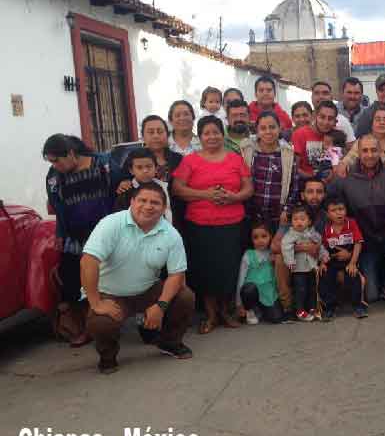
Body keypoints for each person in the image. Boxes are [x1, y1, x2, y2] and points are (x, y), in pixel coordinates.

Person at [82, 182, 194, 374]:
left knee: (185, 296)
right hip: (110, 293)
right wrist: (96, 302)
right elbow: (88, 261)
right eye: (142, 200)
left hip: (146, 290)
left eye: (155, 203)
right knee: (101, 323)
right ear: (132, 202)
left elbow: (176, 274)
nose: (148, 206)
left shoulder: (171, 234)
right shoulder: (111, 224)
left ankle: (169, 343)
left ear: (163, 208)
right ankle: (108, 356)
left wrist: (161, 306)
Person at [172, 116, 254, 334]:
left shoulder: (235, 159)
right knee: (206, 269)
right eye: (207, 133)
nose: (212, 137)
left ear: (222, 134)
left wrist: (233, 198)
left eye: (216, 132)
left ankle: (226, 312)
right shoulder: (190, 161)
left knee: (228, 268)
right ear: (200, 137)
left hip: (232, 223)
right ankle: (210, 314)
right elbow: (178, 189)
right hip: (200, 225)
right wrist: (205, 194)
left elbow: (248, 188)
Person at [44, 134, 121, 347]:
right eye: (50, 161)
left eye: (56, 160)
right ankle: (85, 327)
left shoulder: (103, 164)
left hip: (107, 235)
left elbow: (123, 187)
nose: (54, 165)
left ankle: (110, 323)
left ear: (71, 153)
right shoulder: (54, 176)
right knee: (72, 281)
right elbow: (58, 207)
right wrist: (60, 234)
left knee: (107, 278)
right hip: (75, 238)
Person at [328, 135, 385, 304]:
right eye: (365, 150)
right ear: (358, 153)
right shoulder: (345, 177)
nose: (369, 155)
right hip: (365, 244)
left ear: (380, 152)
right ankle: (378, 281)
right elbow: (327, 202)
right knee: (371, 296)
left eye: (373, 150)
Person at [270, 178, 328, 315]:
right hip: (295, 259)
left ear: (324, 195)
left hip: (318, 258)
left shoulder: (327, 216)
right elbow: (274, 246)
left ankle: (318, 303)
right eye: (310, 192)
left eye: (319, 192)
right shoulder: (293, 216)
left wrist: (318, 248)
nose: (314, 196)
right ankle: (288, 306)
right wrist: (302, 248)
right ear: (302, 195)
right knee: (278, 258)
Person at [249, 111, 299, 232]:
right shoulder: (248, 150)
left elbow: (294, 187)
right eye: (263, 128)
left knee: (277, 248)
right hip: (253, 214)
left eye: (272, 127)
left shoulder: (287, 153)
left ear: (279, 128)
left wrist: (287, 210)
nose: (268, 132)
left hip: (278, 215)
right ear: (257, 130)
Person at [319, 196, 367, 319]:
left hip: (349, 259)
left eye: (341, 209)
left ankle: (358, 306)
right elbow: (322, 247)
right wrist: (323, 262)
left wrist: (352, 263)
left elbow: (358, 243)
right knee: (325, 276)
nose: (338, 213)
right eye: (334, 210)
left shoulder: (352, 223)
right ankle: (330, 307)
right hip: (332, 260)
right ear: (328, 214)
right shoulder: (326, 228)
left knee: (353, 275)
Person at [281, 206, 323, 322]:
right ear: (291, 222)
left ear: (309, 221)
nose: (299, 222)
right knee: (301, 289)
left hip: (311, 266)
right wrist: (289, 261)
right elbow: (286, 247)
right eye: (295, 219)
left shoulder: (312, 232)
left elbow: (319, 243)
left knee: (312, 288)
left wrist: (323, 255)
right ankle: (300, 310)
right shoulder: (291, 235)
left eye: (302, 219)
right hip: (298, 268)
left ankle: (312, 308)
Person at [236, 221, 281, 325]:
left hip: (269, 294)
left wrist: (275, 261)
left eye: (264, 236)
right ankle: (250, 310)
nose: (260, 240)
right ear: (251, 240)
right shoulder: (248, 255)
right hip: (252, 292)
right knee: (248, 289)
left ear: (270, 236)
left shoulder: (273, 253)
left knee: (277, 318)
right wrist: (239, 303)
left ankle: (261, 311)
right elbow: (241, 279)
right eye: (255, 237)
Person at [114, 147, 172, 224]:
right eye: (139, 167)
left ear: (156, 168)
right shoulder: (125, 191)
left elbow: (169, 212)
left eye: (149, 166)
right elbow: (121, 219)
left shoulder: (165, 188)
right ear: (131, 170)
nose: (145, 171)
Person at [338, 107, 385, 174]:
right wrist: (343, 164)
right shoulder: (363, 141)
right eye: (378, 120)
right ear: (372, 124)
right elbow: (350, 158)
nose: (382, 122)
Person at [291, 100, 341, 181]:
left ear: (335, 121)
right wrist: (311, 177)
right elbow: (293, 167)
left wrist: (334, 172)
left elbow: (339, 162)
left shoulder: (337, 136)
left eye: (330, 119)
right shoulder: (300, 134)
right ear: (315, 116)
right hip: (306, 183)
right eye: (322, 117)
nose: (326, 122)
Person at [311, 81, 356, 149]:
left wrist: (343, 159)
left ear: (331, 97)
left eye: (325, 93)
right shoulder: (305, 118)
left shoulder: (342, 121)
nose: (321, 96)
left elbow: (352, 148)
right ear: (311, 97)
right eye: (316, 93)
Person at [224, 99, 257, 166]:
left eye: (242, 115)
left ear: (249, 117)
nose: (239, 119)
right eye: (234, 116)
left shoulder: (258, 138)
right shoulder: (219, 138)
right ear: (227, 118)